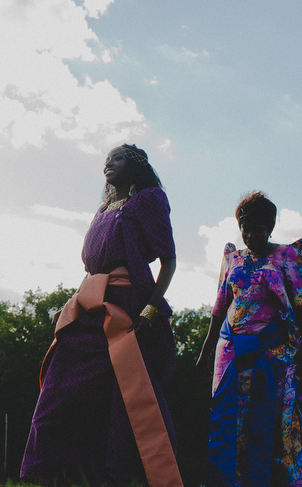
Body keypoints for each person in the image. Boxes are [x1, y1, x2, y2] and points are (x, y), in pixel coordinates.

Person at [21, 144, 183, 487]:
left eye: (118, 157)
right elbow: (91, 269)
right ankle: (39, 475)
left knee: (123, 403)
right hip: (90, 309)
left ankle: (117, 478)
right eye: (107, 158)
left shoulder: (148, 199)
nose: (109, 162)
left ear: (137, 165)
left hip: (127, 312)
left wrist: (150, 311)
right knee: (57, 388)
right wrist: (74, 303)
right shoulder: (102, 209)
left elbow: (168, 260)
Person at [195, 191, 302, 487]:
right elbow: (220, 305)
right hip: (233, 355)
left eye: (258, 228)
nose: (250, 234)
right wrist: (206, 346)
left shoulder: (290, 255)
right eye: (244, 228)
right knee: (231, 424)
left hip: (274, 355)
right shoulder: (232, 258)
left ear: (270, 227)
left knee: (276, 426)